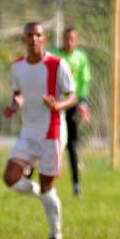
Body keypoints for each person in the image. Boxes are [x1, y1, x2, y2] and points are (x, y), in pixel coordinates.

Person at [2, 22, 77, 239]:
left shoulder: (57, 64)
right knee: (11, 178)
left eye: (38, 35)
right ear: (23, 39)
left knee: (47, 185)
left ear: (44, 39)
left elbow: (72, 96)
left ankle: (56, 235)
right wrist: (14, 106)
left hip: (51, 133)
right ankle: (42, 195)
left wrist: (58, 106)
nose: (34, 38)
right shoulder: (17, 67)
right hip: (28, 132)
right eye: (30, 35)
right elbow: (19, 95)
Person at [50, 26, 92, 197]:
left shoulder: (80, 57)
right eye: (66, 38)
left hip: (72, 104)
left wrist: (83, 102)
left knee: (72, 145)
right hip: (55, 103)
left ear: (77, 40)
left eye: (72, 39)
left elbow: (84, 81)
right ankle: (30, 176)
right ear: (62, 39)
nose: (69, 42)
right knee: (47, 140)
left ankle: (76, 185)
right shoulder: (53, 54)